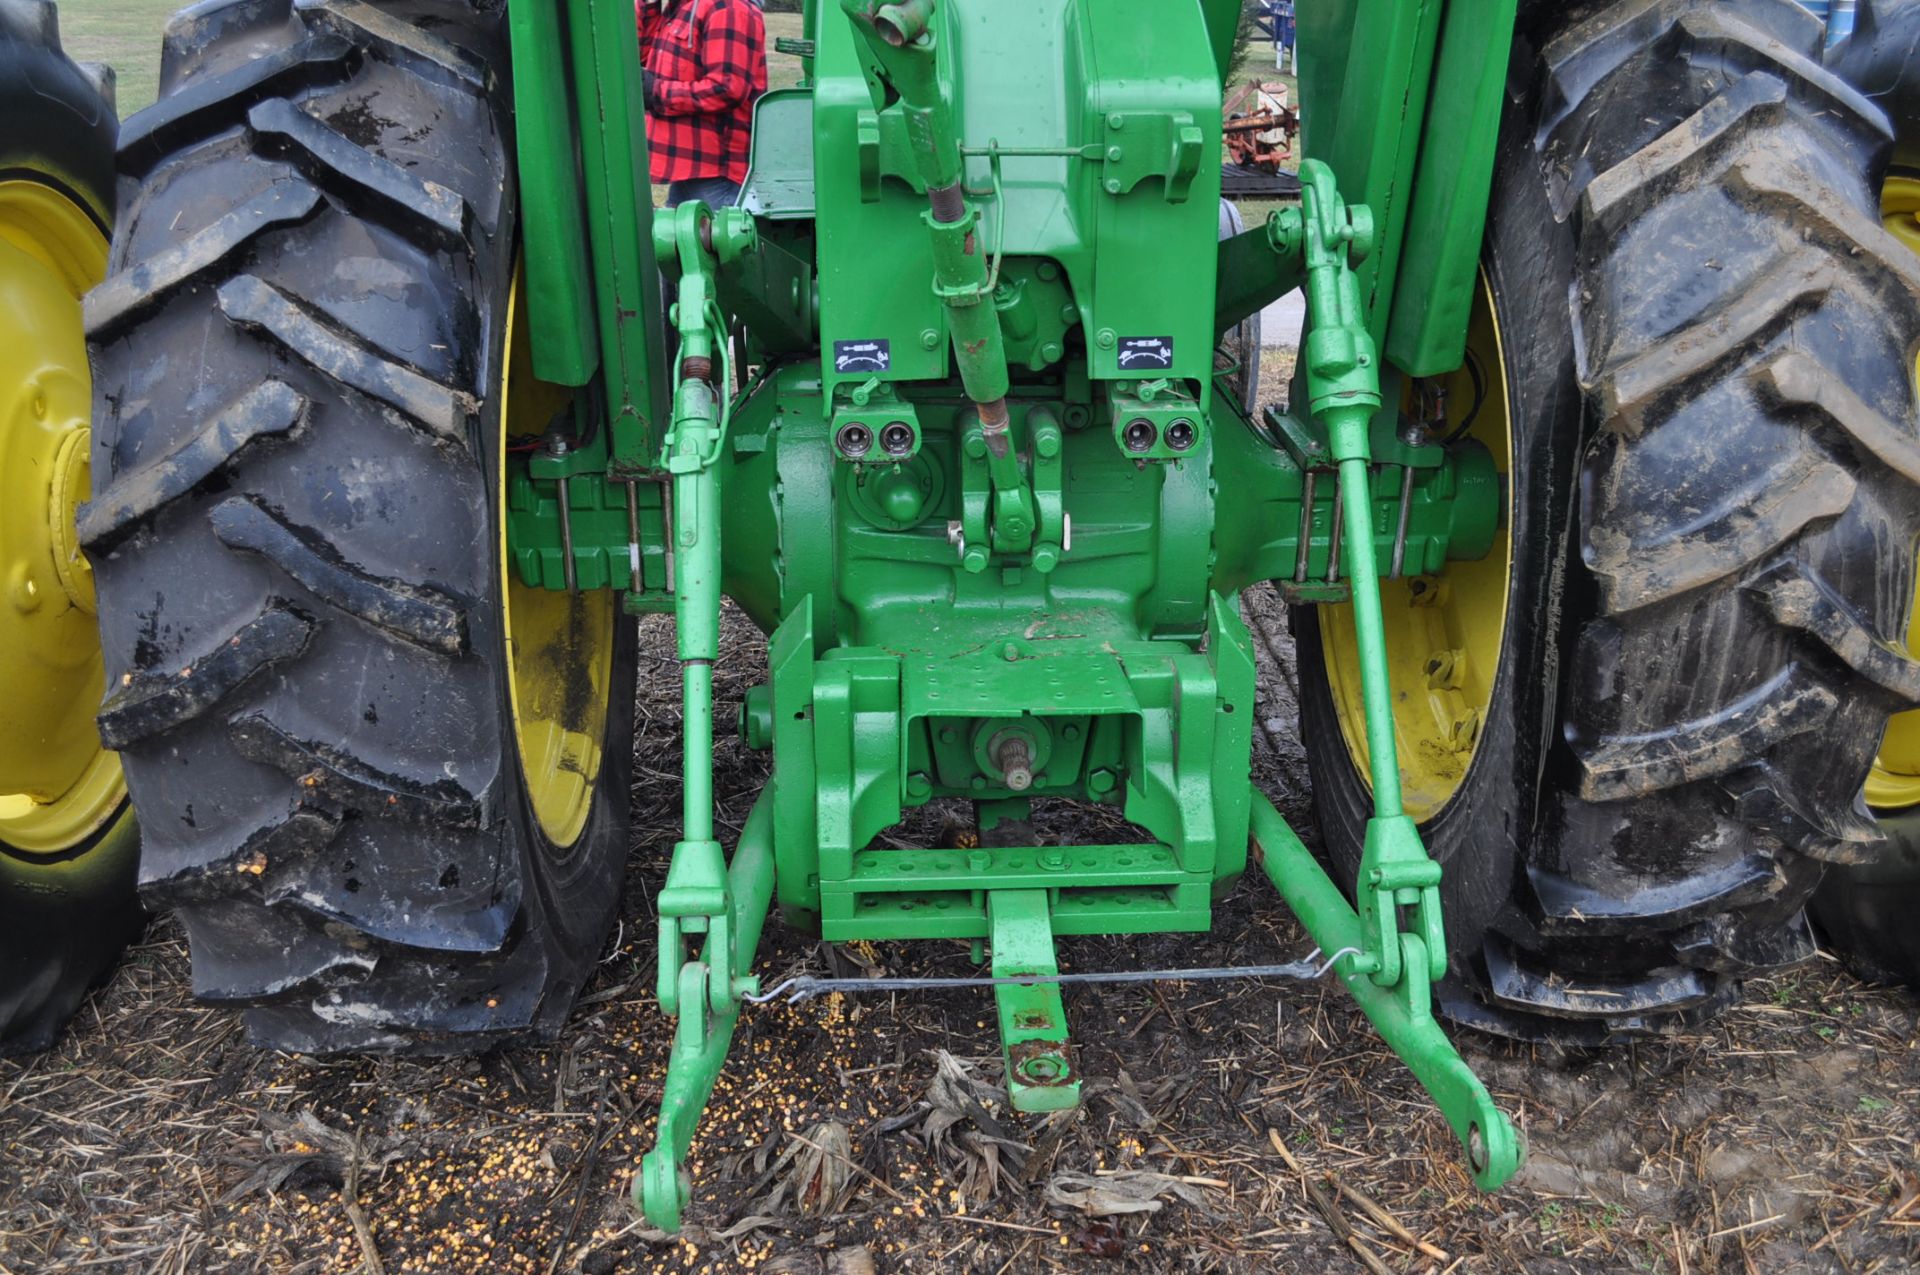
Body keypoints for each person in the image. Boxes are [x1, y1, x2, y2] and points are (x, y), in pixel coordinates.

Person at [637, 0, 768, 209]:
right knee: (676, 240)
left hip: (718, 176)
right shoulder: (681, 7)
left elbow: (726, 89)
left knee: (711, 241)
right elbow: (642, 54)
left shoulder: (728, 8)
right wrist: (649, 6)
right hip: (688, 170)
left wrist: (657, 92)